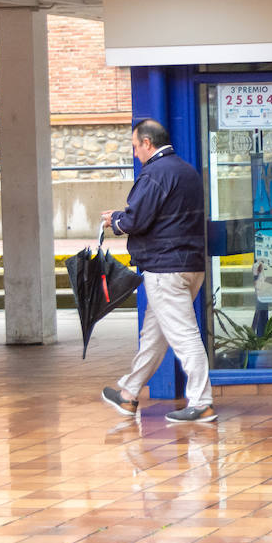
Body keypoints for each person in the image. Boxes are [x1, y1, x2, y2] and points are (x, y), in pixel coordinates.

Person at [100, 119, 216, 423]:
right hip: (190, 266)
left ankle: (202, 402)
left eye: (136, 146)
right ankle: (129, 393)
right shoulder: (187, 172)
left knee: (184, 336)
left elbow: (137, 219)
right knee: (154, 335)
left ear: (148, 143)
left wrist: (115, 220)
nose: (135, 153)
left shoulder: (155, 173)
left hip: (165, 269)